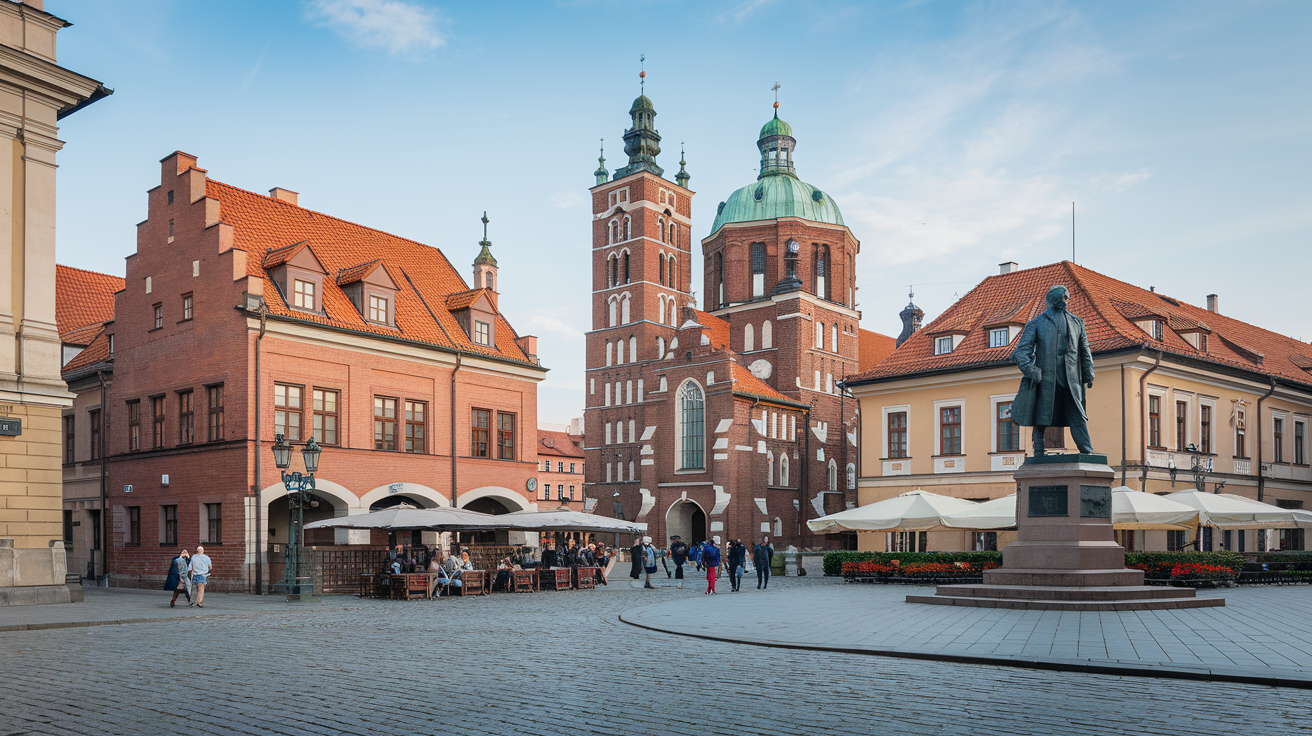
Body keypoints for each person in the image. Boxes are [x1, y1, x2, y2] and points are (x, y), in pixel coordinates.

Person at [1010, 284, 1096, 454]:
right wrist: (1032, 371)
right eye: (1061, 297)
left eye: (1066, 297)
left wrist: (1088, 373)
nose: (1065, 300)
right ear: (1051, 300)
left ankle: (1086, 450)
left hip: (1071, 379)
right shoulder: (1036, 324)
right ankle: (1039, 451)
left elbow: (1084, 351)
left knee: (1077, 414)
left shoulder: (1077, 323)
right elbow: (1020, 353)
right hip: (1047, 378)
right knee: (1041, 416)